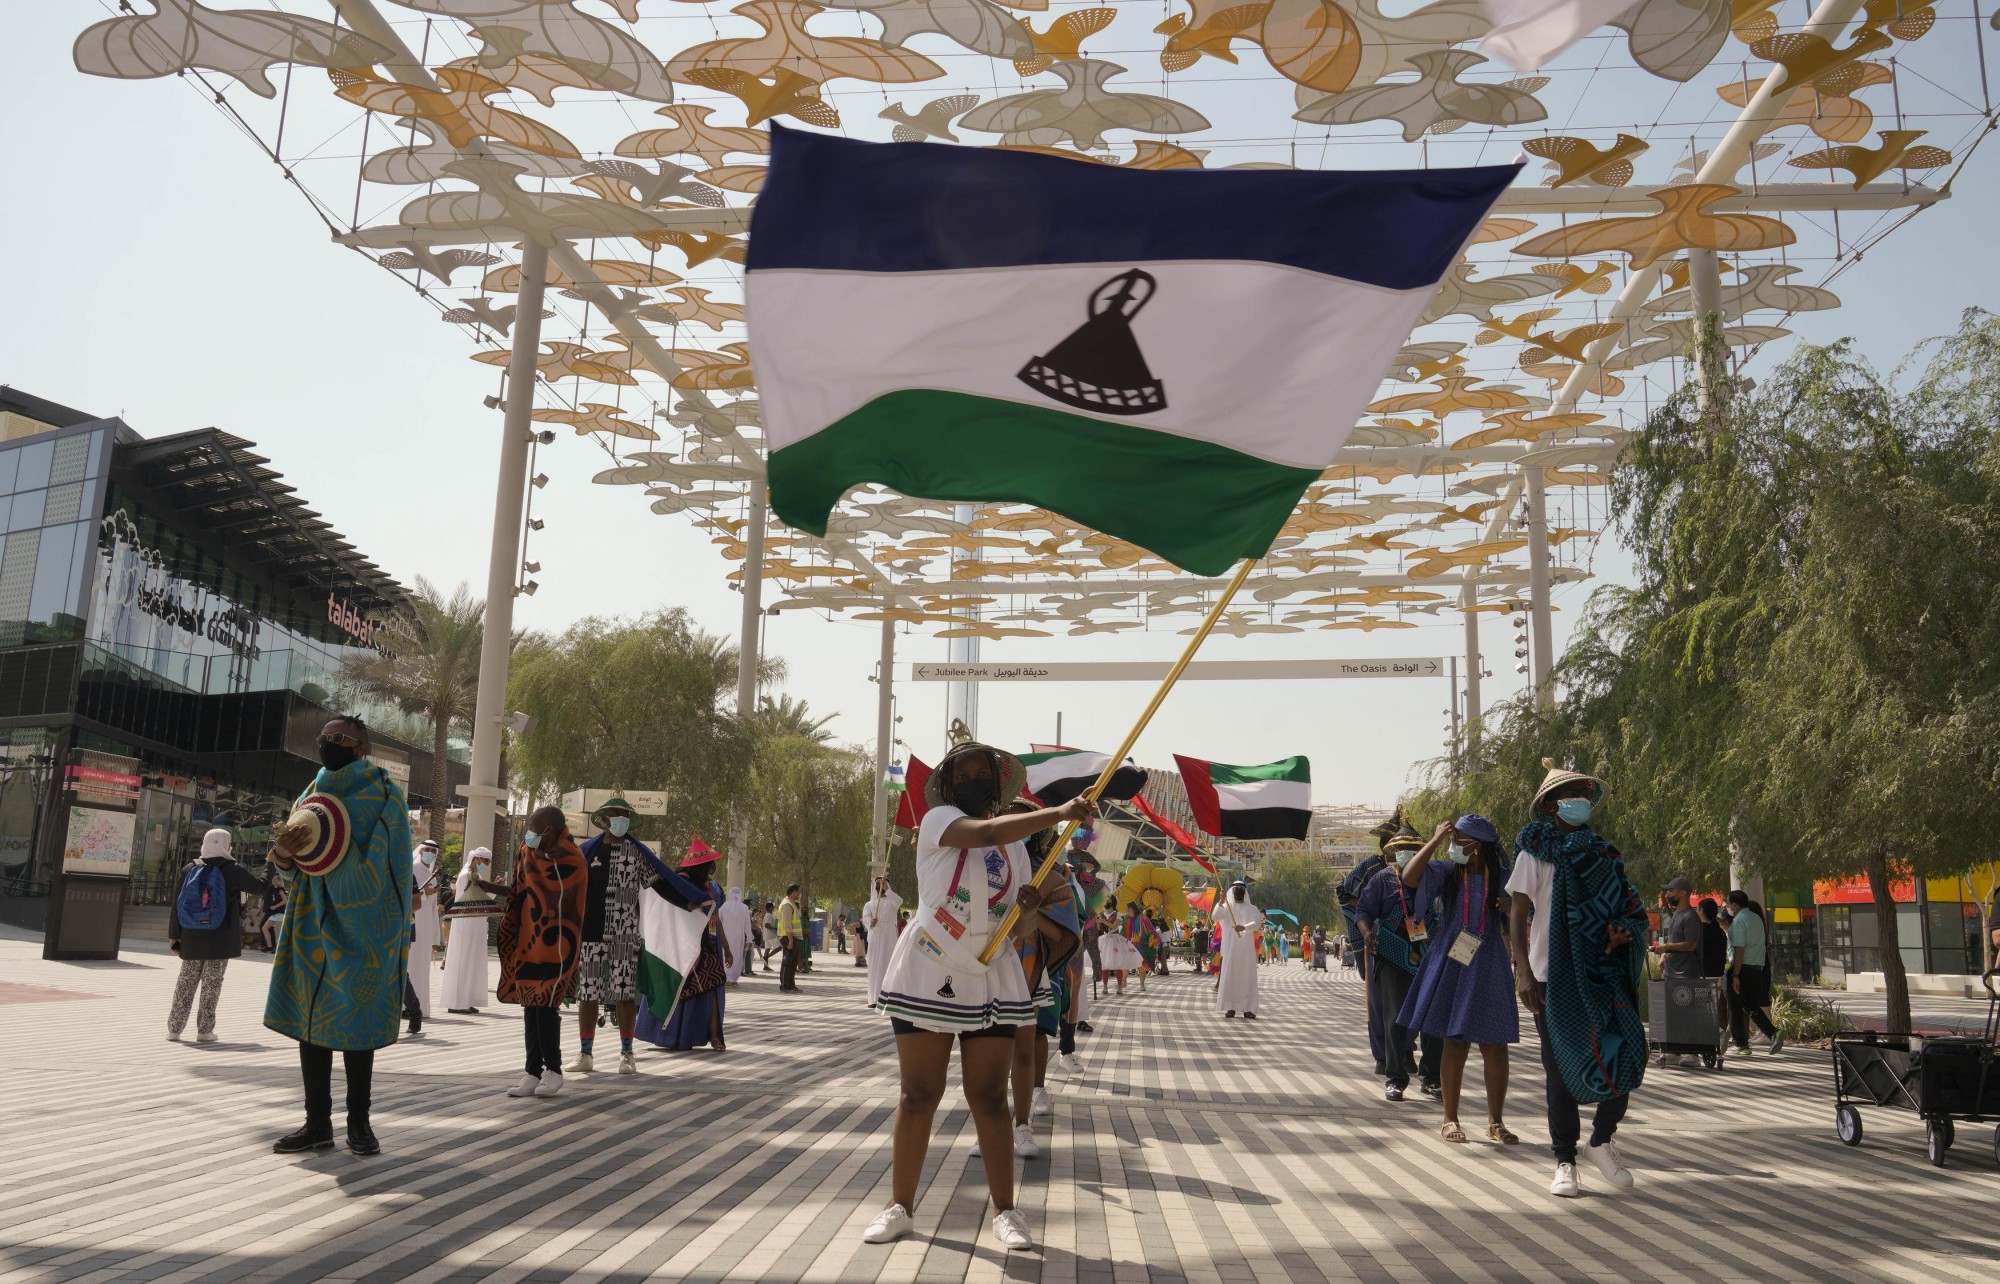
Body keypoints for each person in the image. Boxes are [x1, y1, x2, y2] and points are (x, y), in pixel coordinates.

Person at [863, 742, 1091, 1251]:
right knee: (917, 1094)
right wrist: (1062, 811)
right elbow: (985, 831)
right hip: (928, 967)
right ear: (947, 786)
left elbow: (1015, 928)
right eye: (963, 774)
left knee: (989, 1098)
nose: (973, 781)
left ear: (996, 781)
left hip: (989, 976)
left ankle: (1006, 1213)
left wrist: (1027, 911)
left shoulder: (1013, 850)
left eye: (981, 774)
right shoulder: (939, 821)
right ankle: (899, 1206)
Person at [264, 715, 413, 1156]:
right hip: (311, 921)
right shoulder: (312, 792)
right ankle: (317, 1124)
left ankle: (359, 1125)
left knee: (356, 1026)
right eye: (325, 737)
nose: (329, 743)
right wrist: (284, 856)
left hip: (365, 927)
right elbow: (300, 866)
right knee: (312, 1024)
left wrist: (336, 871)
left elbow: (390, 866)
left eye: (340, 738)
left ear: (360, 747)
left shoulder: (385, 794)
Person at [1508, 758, 1648, 1199]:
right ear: (1550, 806)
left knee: (1626, 1056)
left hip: (1603, 972)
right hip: (1550, 978)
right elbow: (1516, 916)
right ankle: (1564, 1160)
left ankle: (1601, 1140)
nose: (1580, 803)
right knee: (1560, 1073)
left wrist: (1622, 931)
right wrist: (1523, 971)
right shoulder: (1534, 852)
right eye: (1571, 796)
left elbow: (1627, 911)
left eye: (1585, 796)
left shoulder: (1605, 855)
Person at [1398, 816, 1518, 1144]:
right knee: (1455, 1040)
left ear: (1476, 846)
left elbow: (1526, 909)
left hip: (1490, 959)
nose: (1454, 845)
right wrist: (1435, 839)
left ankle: (1496, 1122)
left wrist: (1514, 905)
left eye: (1458, 839)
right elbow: (1409, 877)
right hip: (1452, 958)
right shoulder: (1446, 872)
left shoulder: (1503, 877)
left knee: (1496, 1045)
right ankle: (1450, 1118)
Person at [477, 806, 586, 1099]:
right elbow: (521, 892)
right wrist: (490, 888)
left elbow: (567, 898)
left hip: (557, 944)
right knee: (531, 1007)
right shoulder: (526, 852)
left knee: (546, 1007)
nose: (530, 834)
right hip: (528, 940)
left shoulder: (572, 857)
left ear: (550, 830)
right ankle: (531, 1072)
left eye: (535, 828)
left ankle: (554, 1070)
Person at [568, 797, 659, 1075]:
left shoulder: (637, 853)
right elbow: (569, 885)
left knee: (624, 994)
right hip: (590, 934)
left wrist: (690, 900)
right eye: (617, 814)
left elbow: (659, 885)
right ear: (605, 817)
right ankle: (585, 1054)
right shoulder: (586, 851)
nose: (622, 819)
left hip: (624, 933)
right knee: (589, 994)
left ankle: (627, 1054)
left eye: (626, 815)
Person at [166, 828, 264, 1043]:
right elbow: (261, 888)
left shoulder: (189, 869)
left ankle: (174, 1029)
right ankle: (205, 1030)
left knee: (186, 981)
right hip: (220, 937)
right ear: (226, 845)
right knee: (212, 984)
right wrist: (272, 864)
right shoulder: (233, 870)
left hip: (192, 935)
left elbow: (176, 905)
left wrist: (174, 935)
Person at [1357, 845, 1430, 1101]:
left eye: (1412, 848)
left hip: (1428, 953)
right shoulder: (1382, 878)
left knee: (1431, 1017)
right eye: (1400, 848)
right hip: (1391, 954)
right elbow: (1363, 912)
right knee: (1394, 1017)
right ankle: (1396, 1078)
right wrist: (1367, 933)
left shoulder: (1434, 874)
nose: (1406, 852)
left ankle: (1431, 1077)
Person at [643, 841, 731, 1051]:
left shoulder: (711, 887)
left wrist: (726, 947)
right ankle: (674, 1034)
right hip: (680, 944)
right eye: (711, 864)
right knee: (679, 987)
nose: (713, 869)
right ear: (702, 866)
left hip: (706, 944)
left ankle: (714, 1035)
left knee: (713, 982)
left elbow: (715, 917)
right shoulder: (678, 882)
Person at [1648, 877, 1705, 1068]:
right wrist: (1665, 956)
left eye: (1671, 891)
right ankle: (1673, 1051)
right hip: (1672, 972)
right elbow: (1675, 941)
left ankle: (1693, 1053)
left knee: (1687, 1012)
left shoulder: (1690, 916)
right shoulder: (1676, 915)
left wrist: (1666, 948)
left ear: (1682, 893)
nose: (1667, 895)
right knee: (1672, 1012)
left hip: (1686, 972)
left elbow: (1691, 944)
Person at [1726, 890, 1784, 1056]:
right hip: (1757, 968)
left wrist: (1735, 975)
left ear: (1735, 905)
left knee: (1735, 1006)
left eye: (1728, 904)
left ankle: (1741, 1045)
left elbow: (1739, 949)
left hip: (1741, 968)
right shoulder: (1756, 918)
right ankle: (1773, 1032)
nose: (1728, 907)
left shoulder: (1738, 921)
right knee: (1749, 1003)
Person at [441, 847, 494, 1013]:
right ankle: (458, 1003)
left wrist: (492, 889)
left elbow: (479, 898)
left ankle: (467, 999)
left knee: (471, 962)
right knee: (462, 961)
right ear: (477, 859)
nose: (485, 865)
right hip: (465, 924)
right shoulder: (465, 876)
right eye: (485, 861)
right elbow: (469, 899)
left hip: (475, 923)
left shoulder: (476, 875)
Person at [404, 838, 443, 1036]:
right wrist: (424, 893)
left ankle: (415, 1010)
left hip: (421, 928)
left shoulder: (431, 874)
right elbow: (413, 900)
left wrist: (435, 936)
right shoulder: (413, 869)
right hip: (410, 923)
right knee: (406, 969)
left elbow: (428, 906)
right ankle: (410, 1010)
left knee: (414, 970)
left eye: (432, 851)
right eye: (426, 849)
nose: (429, 853)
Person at [1215, 881, 1263, 1018]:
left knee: (1247, 977)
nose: (1238, 889)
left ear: (1245, 891)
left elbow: (1256, 923)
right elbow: (1215, 917)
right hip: (1231, 948)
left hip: (1246, 950)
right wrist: (1220, 901)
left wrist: (1243, 927)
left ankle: (1248, 1008)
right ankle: (1230, 1008)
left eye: (1241, 888)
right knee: (1231, 976)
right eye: (1236, 887)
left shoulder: (1252, 908)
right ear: (1233, 890)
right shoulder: (1226, 907)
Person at [862, 874, 903, 1005]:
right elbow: (866, 919)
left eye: (883, 883)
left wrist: (888, 890)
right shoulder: (869, 904)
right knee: (874, 965)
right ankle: (874, 998)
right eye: (879, 884)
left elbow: (900, 901)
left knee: (887, 964)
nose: (881, 885)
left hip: (889, 935)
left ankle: (886, 997)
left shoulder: (892, 901)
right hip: (876, 935)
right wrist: (871, 922)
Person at [720, 886, 754, 984]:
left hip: (726, 936)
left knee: (725, 955)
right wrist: (749, 939)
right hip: (739, 936)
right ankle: (733, 978)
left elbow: (719, 921)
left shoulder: (724, 906)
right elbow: (748, 924)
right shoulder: (744, 907)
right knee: (737, 956)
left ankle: (727, 977)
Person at [776, 884, 806, 992]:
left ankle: (791, 985)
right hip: (789, 937)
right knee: (787, 962)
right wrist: (790, 940)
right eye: (798, 892)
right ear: (793, 892)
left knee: (793, 963)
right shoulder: (787, 905)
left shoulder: (793, 904)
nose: (799, 894)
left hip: (796, 937)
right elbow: (787, 924)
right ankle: (784, 985)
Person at [259, 880, 287, 951]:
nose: (272, 881)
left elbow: (285, 901)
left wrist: (275, 906)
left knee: (278, 932)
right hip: (273, 914)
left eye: (274, 880)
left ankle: (279, 948)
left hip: (279, 913)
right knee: (264, 928)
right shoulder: (273, 889)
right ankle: (269, 946)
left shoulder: (280, 890)